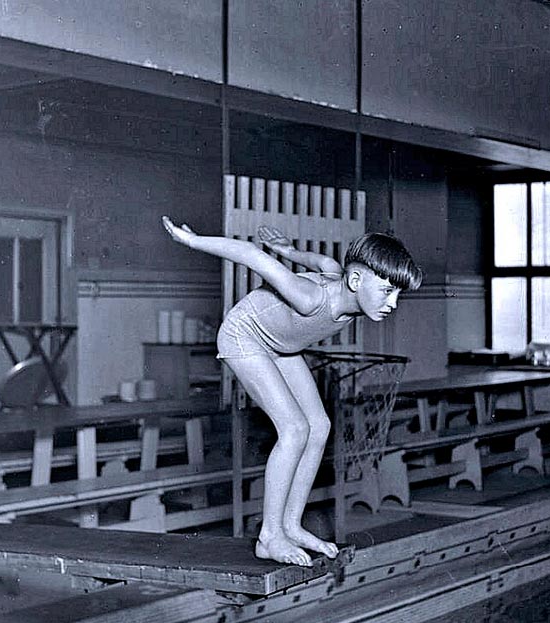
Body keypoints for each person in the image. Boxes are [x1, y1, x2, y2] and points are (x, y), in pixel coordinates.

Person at [162, 216, 422, 566]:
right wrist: (192, 241)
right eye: (388, 290)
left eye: (398, 294)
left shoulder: (342, 279)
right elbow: (251, 255)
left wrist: (289, 250)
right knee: (294, 428)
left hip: (281, 345)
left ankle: (291, 524)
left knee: (319, 426)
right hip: (245, 336)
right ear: (357, 280)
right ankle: (269, 536)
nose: (392, 303)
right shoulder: (310, 297)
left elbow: (322, 262)